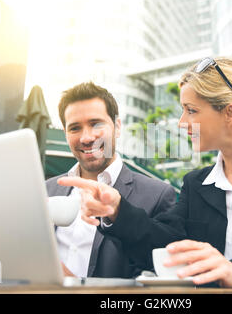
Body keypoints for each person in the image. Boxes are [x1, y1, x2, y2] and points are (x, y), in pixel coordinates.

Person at [58, 57, 232, 293]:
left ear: (230, 113)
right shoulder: (198, 183)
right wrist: (117, 211)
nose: (182, 123)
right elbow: (166, 244)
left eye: (191, 111)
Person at [46, 82, 176, 279]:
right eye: (74, 128)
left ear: (116, 127)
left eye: (96, 124)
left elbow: (165, 269)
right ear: (65, 133)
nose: (87, 137)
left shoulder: (157, 195)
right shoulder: (46, 190)